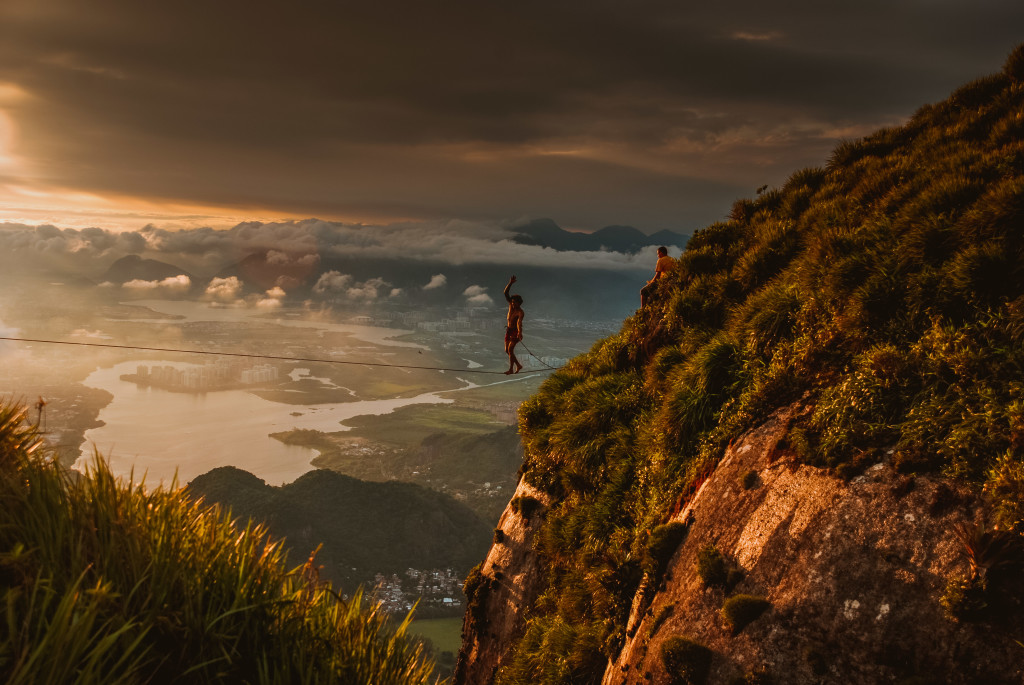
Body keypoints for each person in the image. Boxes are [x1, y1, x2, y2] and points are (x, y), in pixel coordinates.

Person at [503, 275, 524, 374]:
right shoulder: (511, 306)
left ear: (519, 303)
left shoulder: (520, 312)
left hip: (515, 331)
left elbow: (519, 323)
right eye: (512, 302)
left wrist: (519, 333)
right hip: (509, 330)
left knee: (510, 350)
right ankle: (519, 365)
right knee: (507, 351)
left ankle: (511, 369)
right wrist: (510, 283)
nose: (513, 304)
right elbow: (505, 293)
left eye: (515, 302)